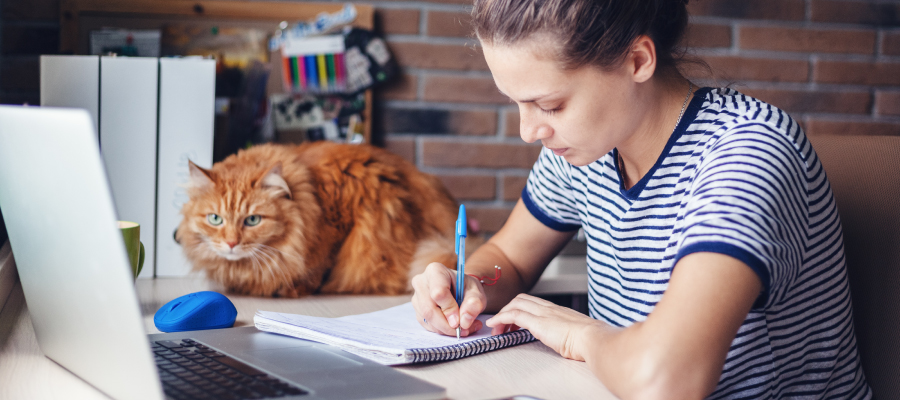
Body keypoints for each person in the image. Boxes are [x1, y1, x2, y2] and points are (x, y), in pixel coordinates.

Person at [409, 0, 872, 398]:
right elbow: (508, 257)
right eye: (516, 102)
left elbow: (668, 380)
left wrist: (583, 335)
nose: (530, 131)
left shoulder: (746, 155)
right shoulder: (583, 150)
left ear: (637, 60)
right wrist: (468, 283)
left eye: (549, 105)